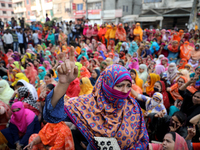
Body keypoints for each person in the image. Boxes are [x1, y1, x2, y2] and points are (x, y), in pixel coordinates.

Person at [43, 47, 149, 150]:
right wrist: (63, 83)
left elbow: (143, 140)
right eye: (120, 85)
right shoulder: (87, 105)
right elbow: (52, 115)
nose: (125, 91)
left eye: (128, 86)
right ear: (107, 85)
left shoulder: (133, 107)